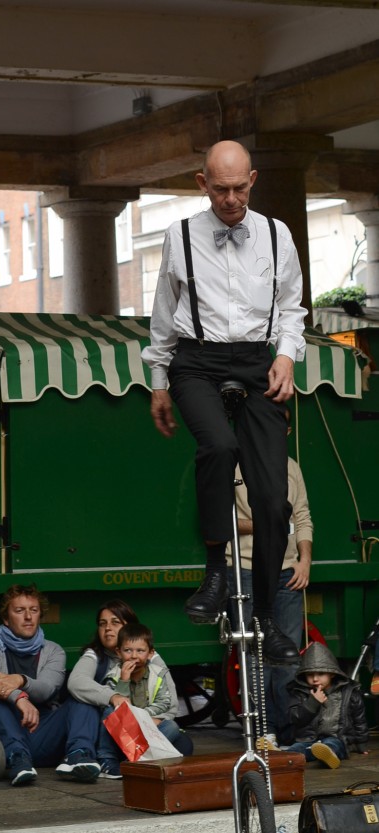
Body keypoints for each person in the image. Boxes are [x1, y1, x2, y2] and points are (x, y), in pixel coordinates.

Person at [143, 140, 308, 665]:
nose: (231, 198)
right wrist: (159, 380)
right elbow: (165, 310)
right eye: (220, 189)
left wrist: (285, 356)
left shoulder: (278, 235)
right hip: (197, 361)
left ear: (253, 180)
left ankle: (262, 612)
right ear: (202, 183)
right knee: (216, 445)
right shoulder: (181, 235)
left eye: (240, 188)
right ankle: (215, 570)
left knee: (271, 497)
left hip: (258, 362)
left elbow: (291, 309)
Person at [229, 408, 313, 746]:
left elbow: (304, 515)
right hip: (248, 570)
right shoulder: (232, 466)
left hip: (288, 570)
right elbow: (223, 523)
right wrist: (271, 524)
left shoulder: (292, 467)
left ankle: (290, 732)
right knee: (254, 655)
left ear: (287, 431)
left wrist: (304, 560)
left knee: (288, 655)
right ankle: (262, 733)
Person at [0, 584, 101, 786]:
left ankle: (78, 755)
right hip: (6, 736)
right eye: (19, 611)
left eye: (34, 610)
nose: (28, 617)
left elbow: (46, 689)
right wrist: (18, 697)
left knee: (83, 700)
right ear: (6, 618)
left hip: (44, 732)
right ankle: (17, 758)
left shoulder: (54, 651)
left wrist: (20, 679)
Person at [70, 621, 192, 779]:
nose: (134, 656)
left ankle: (135, 760)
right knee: (108, 712)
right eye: (128, 650)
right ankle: (107, 759)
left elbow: (164, 702)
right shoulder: (114, 675)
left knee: (172, 727)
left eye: (140, 651)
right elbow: (115, 705)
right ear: (119, 652)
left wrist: (143, 718)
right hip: (123, 729)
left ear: (150, 654)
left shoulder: (158, 674)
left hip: (147, 727)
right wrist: (124, 681)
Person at [272, 641, 369, 768]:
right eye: (310, 675)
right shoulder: (299, 691)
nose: (315, 679)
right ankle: (283, 756)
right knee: (299, 748)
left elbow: (359, 720)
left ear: (332, 673)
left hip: (337, 738)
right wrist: (313, 702)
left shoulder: (349, 692)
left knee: (332, 745)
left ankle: (327, 755)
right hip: (307, 739)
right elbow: (294, 718)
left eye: (321, 674)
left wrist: (361, 744)